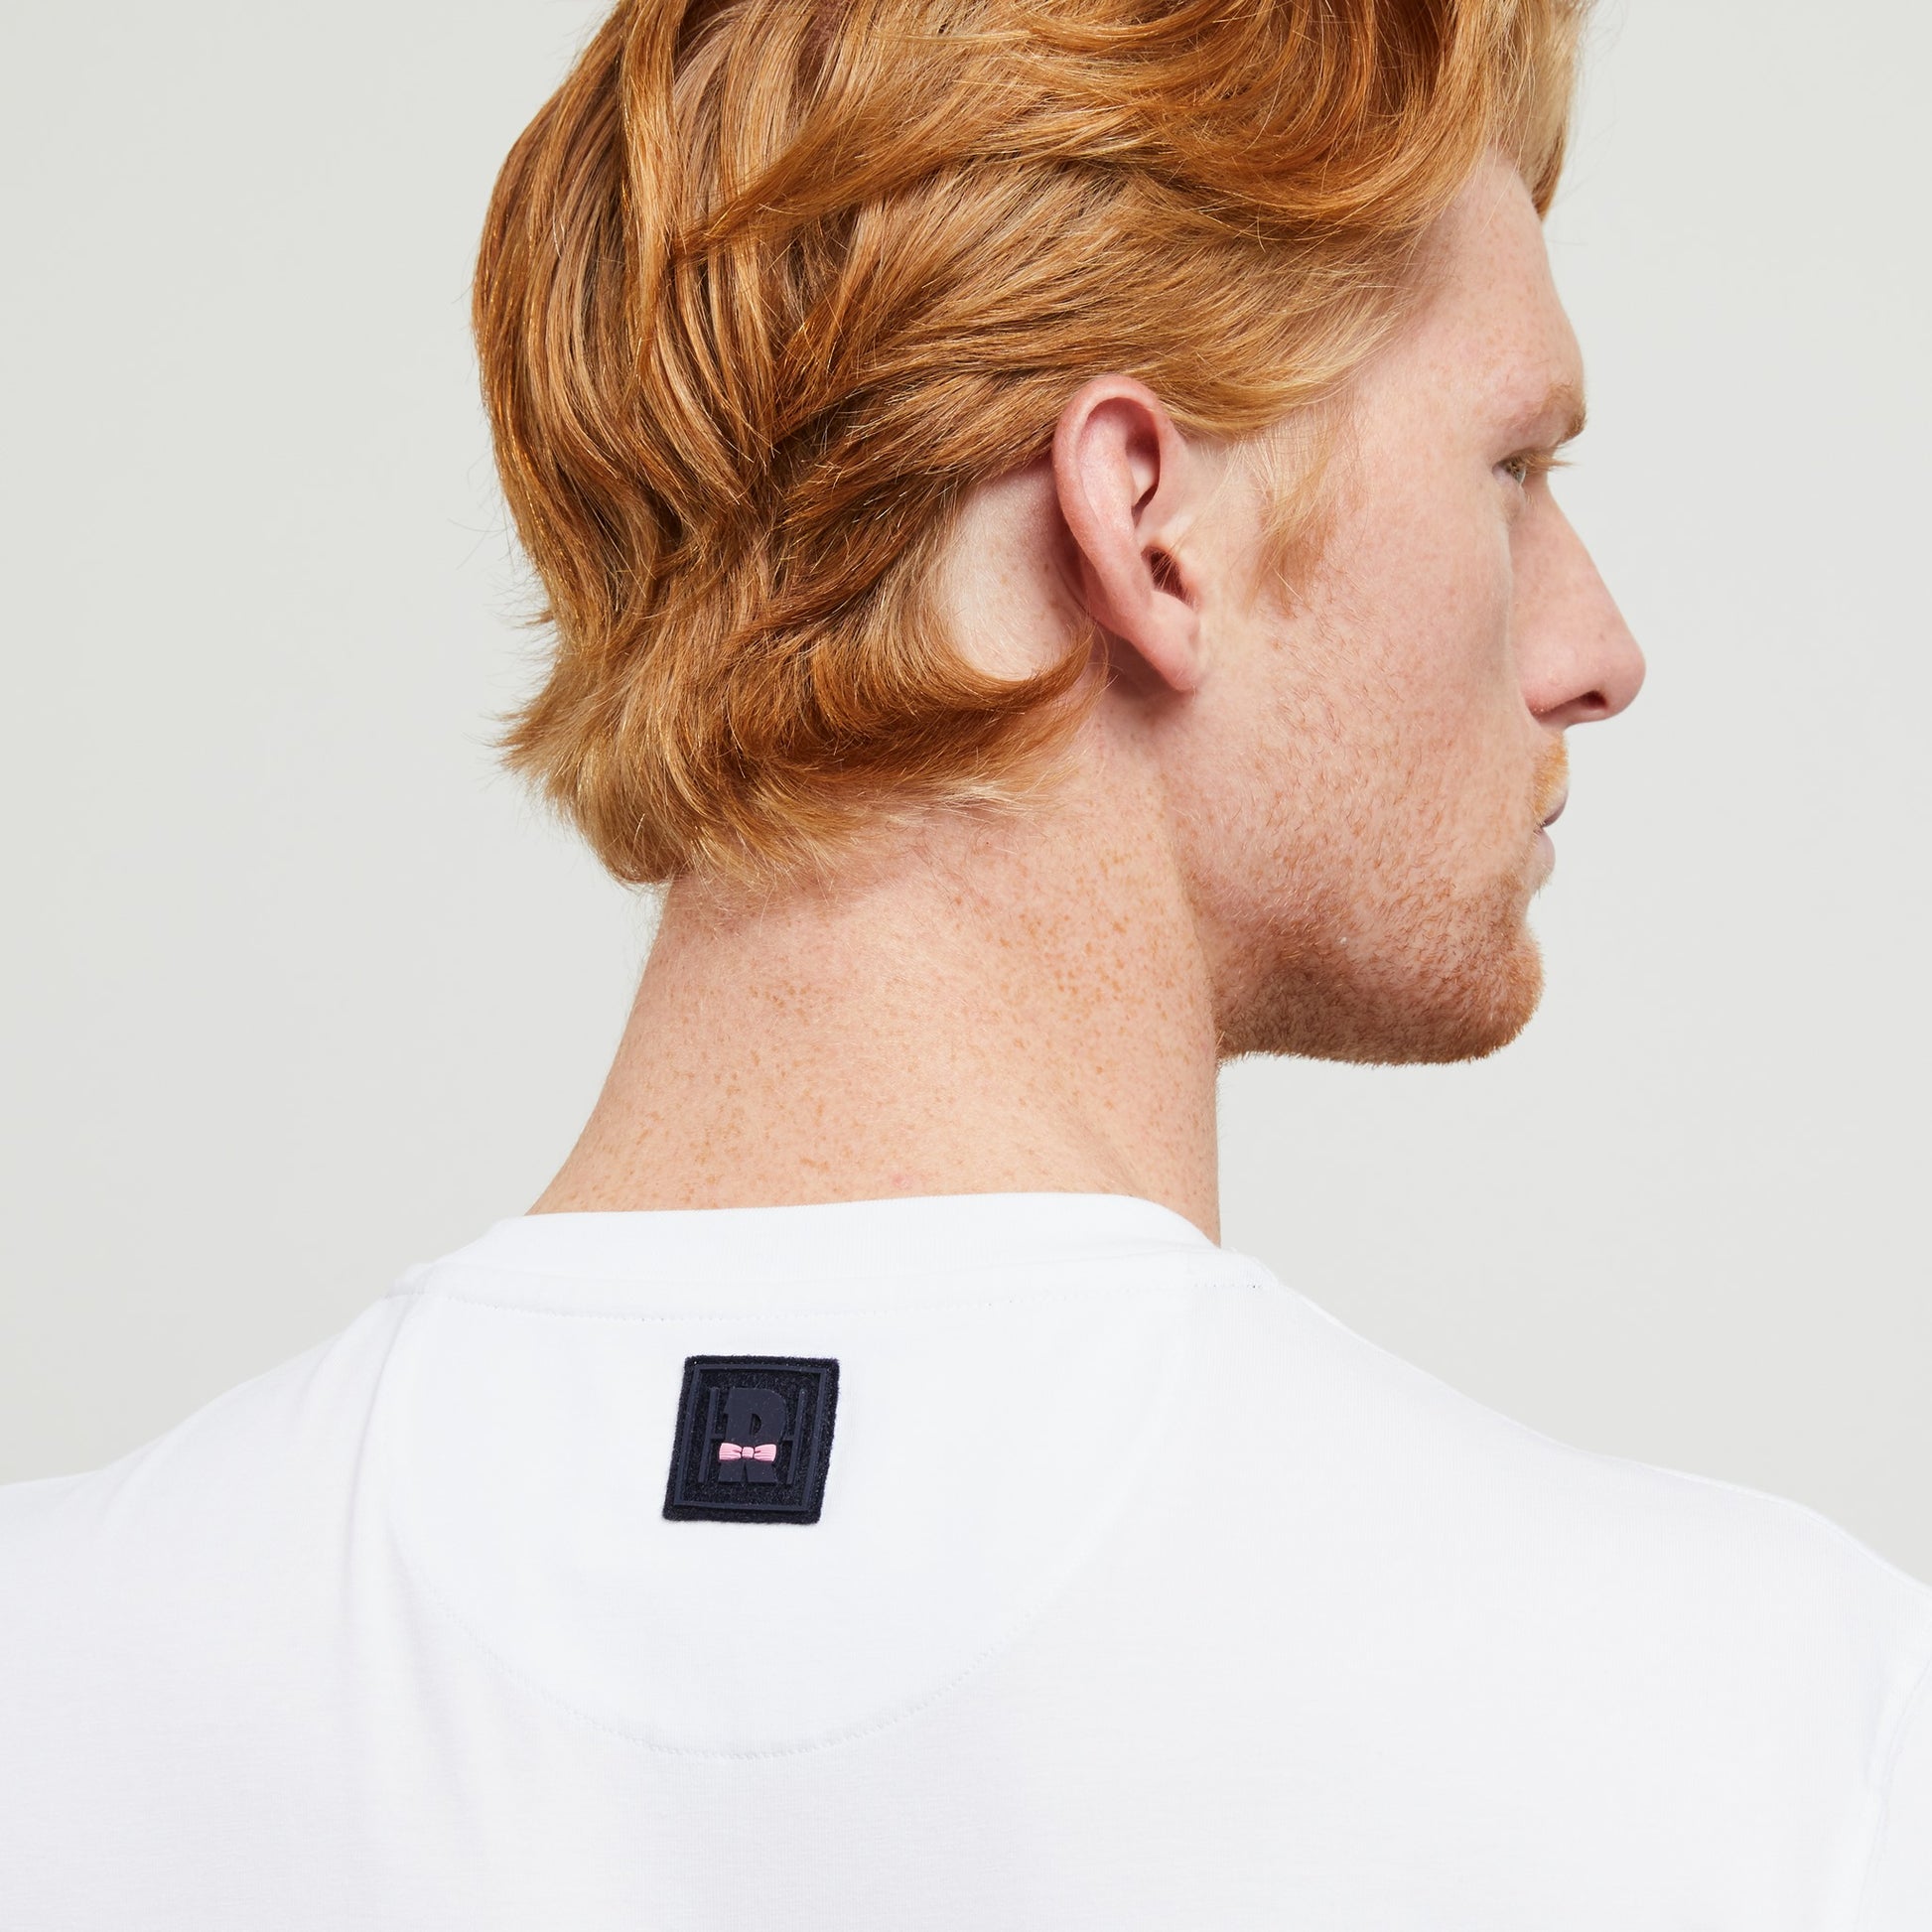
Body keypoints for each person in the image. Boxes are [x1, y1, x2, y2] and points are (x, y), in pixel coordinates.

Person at [2, 0, 1927, 1922]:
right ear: (1143, 525)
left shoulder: (59, 1668)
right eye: (1512, 465)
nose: (1594, 649)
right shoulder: (1754, 1746)